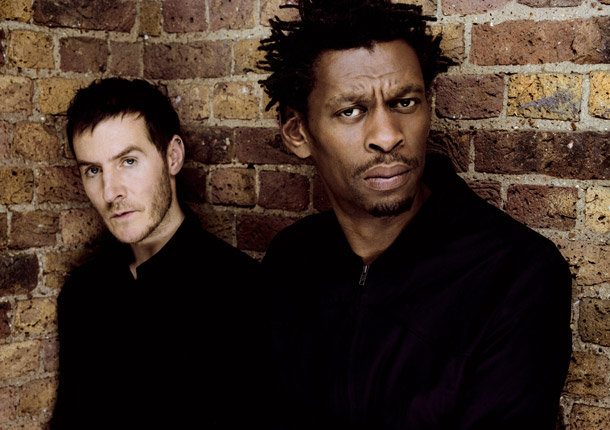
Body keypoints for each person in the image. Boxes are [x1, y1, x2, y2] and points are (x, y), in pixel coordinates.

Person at [258, 1, 572, 428]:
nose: (387, 136)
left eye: (404, 102)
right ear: (298, 132)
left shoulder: (516, 275)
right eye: (351, 111)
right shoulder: (290, 261)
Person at [51, 78, 266, 429]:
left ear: (172, 157)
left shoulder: (240, 290)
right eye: (93, 170)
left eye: (128, 161)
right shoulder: (83, 294)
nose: (110, 192)